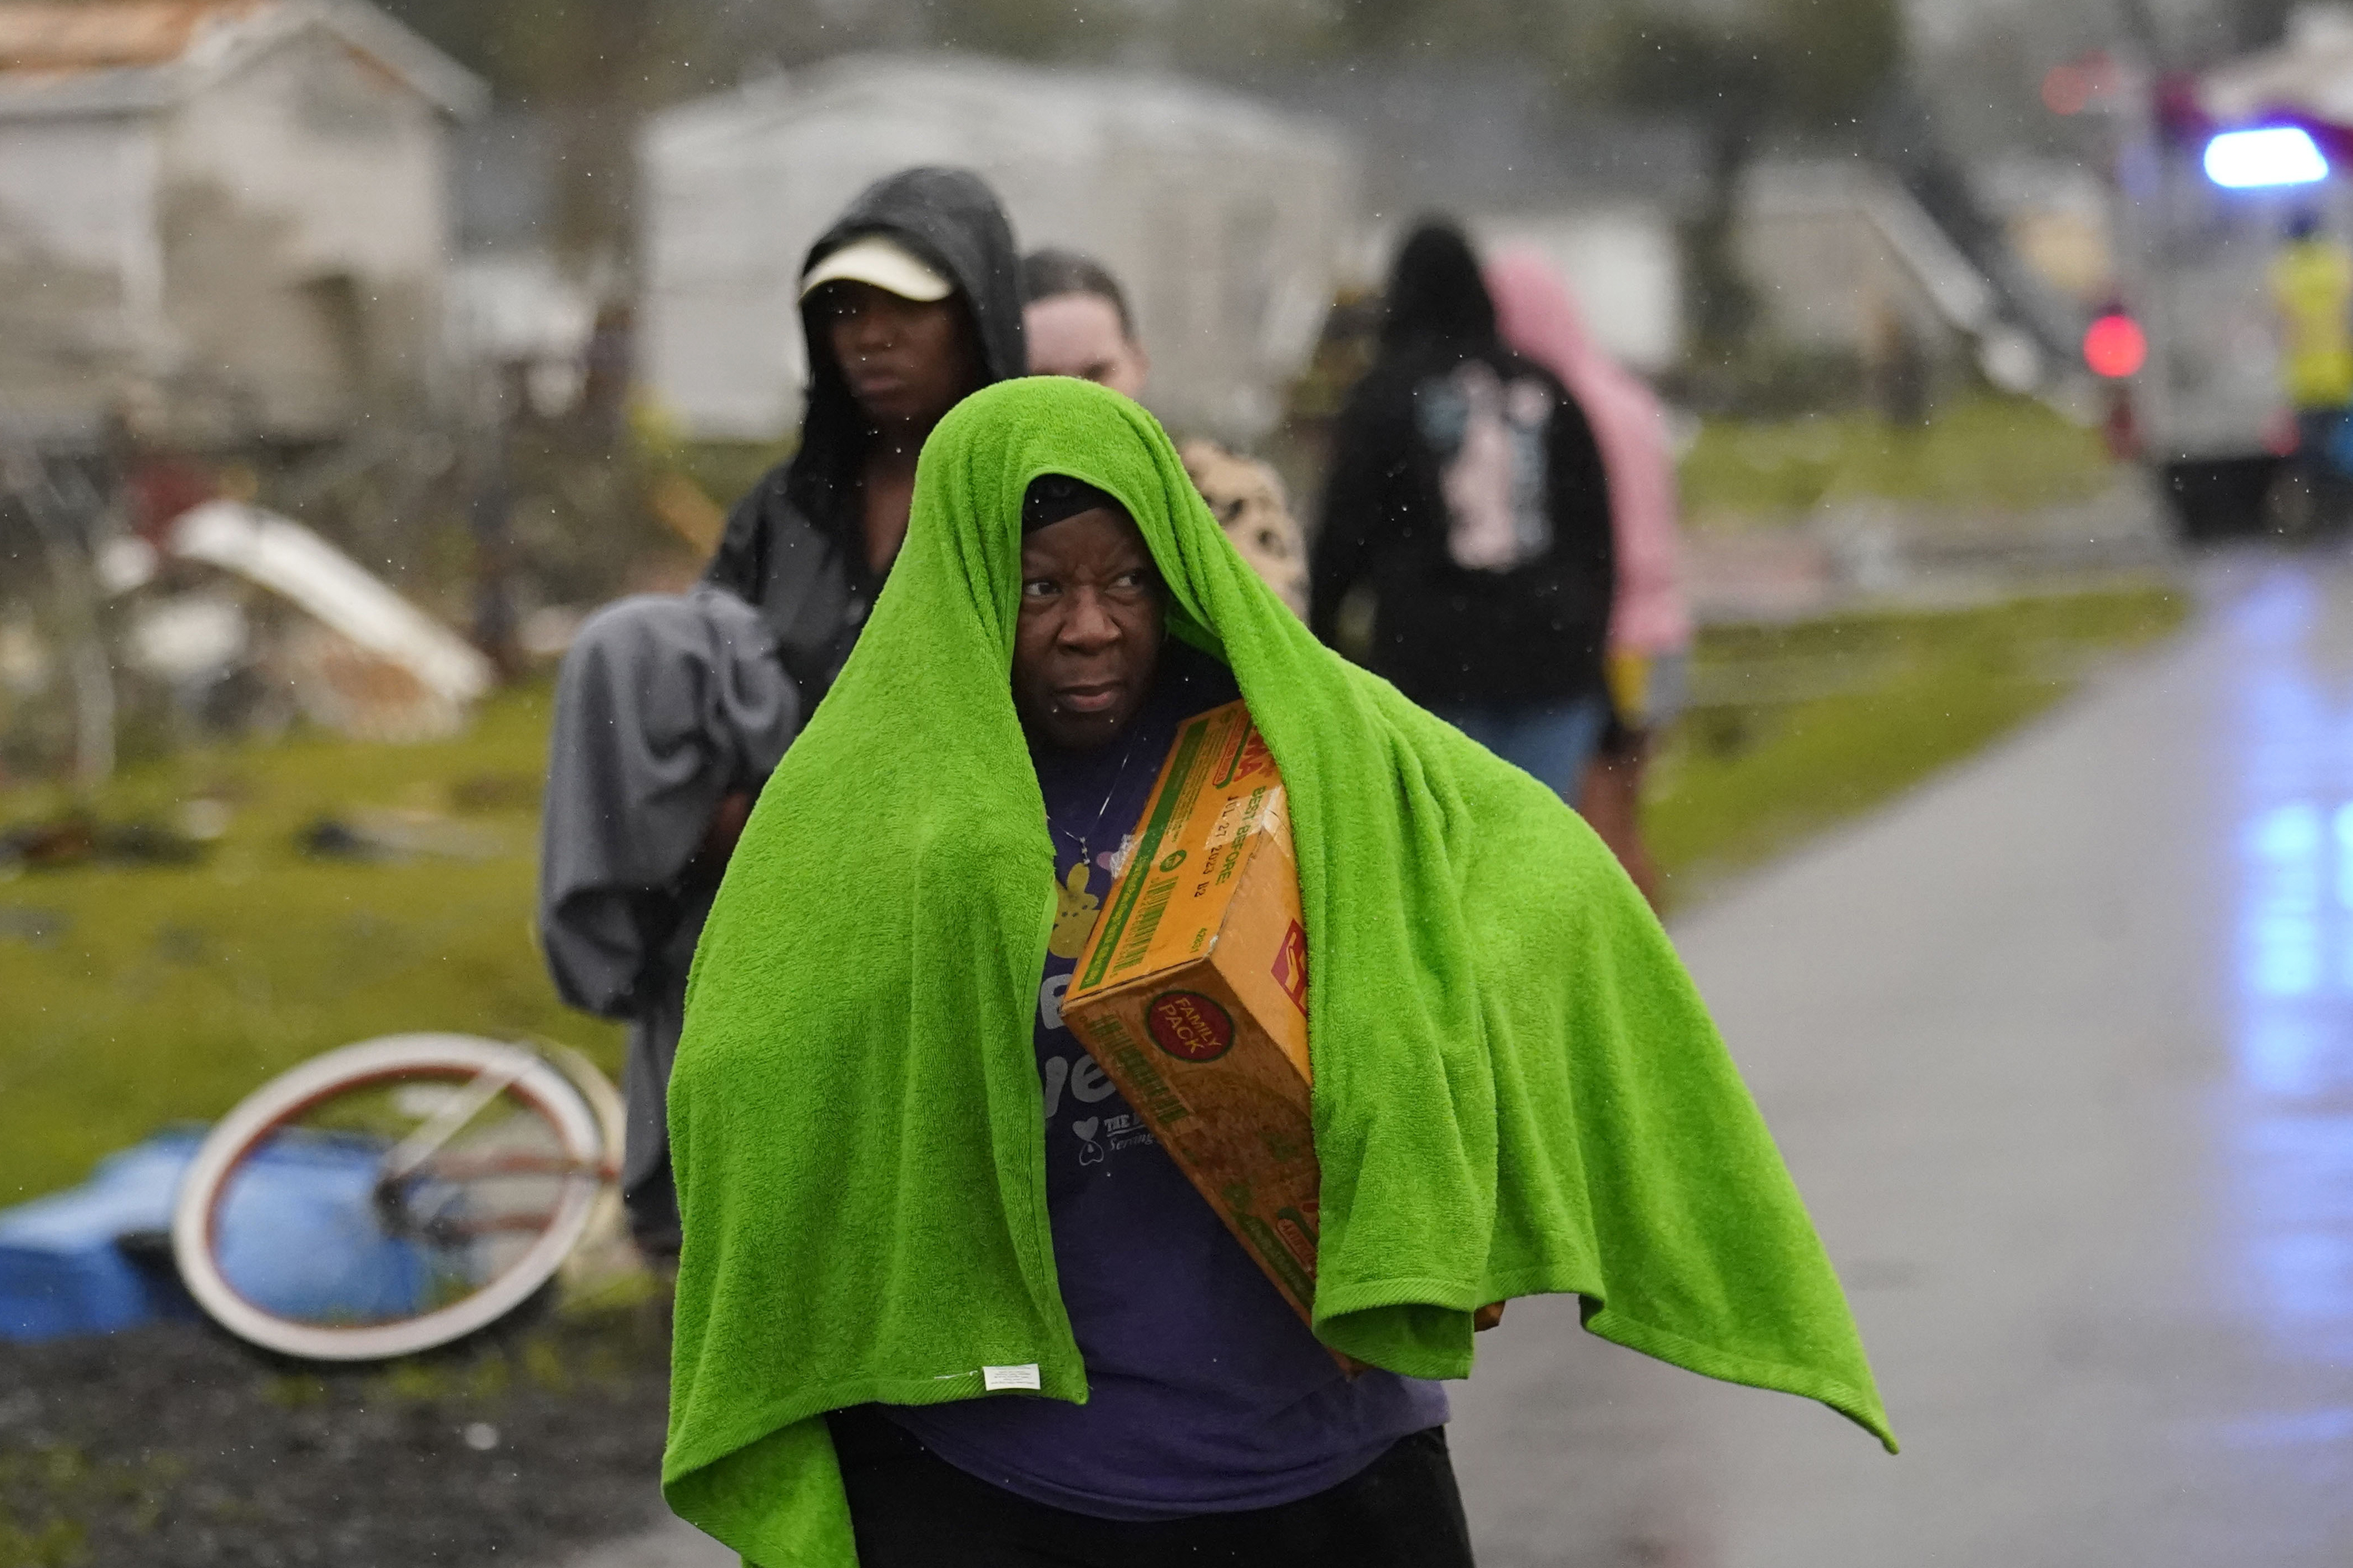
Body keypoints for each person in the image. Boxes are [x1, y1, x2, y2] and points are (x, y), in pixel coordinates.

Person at [658, 375, 1892, 1564]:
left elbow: (1550, 902)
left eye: (1128, 581)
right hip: (1006, 1484)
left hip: (1327, 1471)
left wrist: (1468, 1175)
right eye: (1041, 588)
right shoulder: (868, 811)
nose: (1090, 627)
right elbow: (748, 1070)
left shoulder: (1311, 747)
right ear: (970, 580)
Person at [538, 167, 1024, 1258]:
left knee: (919, 1242)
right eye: (847, 310)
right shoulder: (786, 510)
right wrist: (716, 816)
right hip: (760, 911)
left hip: (936, 917)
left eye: (907, 307)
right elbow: (705, 682)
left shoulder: (1023, 496)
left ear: (978, 315)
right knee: (769, 1243)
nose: (872, 338)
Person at [1310, 221, 1616, 805]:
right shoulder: (1546, 388)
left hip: (1433, 667)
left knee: (1451, 863)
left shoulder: (1385, 397)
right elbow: (1595, 541)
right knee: (1537, 858)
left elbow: (1342, 537)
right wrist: (1591, 653)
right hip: (1551, 663)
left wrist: (1321, 646)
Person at [1484, 248, 1692, 909]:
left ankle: (1630, 982)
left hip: (1609, 635)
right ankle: (1653, 959)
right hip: (1662, 634)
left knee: (1596, 827)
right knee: (1628, 811)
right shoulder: (1626, 396)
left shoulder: (1555, 411)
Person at [1021, 247, 1310, 616]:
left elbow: (1271, 641)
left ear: (1138, 363)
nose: (1077, 403)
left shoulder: (1221, 488)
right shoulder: (979, 508)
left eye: (1096, 374)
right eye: (1042, 381)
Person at [2268, 209, 2353, 523]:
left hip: (2304, 378)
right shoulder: (2338, 262)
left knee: (2312, 452)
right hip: (2340, 373)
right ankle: (2343, 510)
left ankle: (2320, 513)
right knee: (2342, 450)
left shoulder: (2285, 269)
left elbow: (2281, 321)